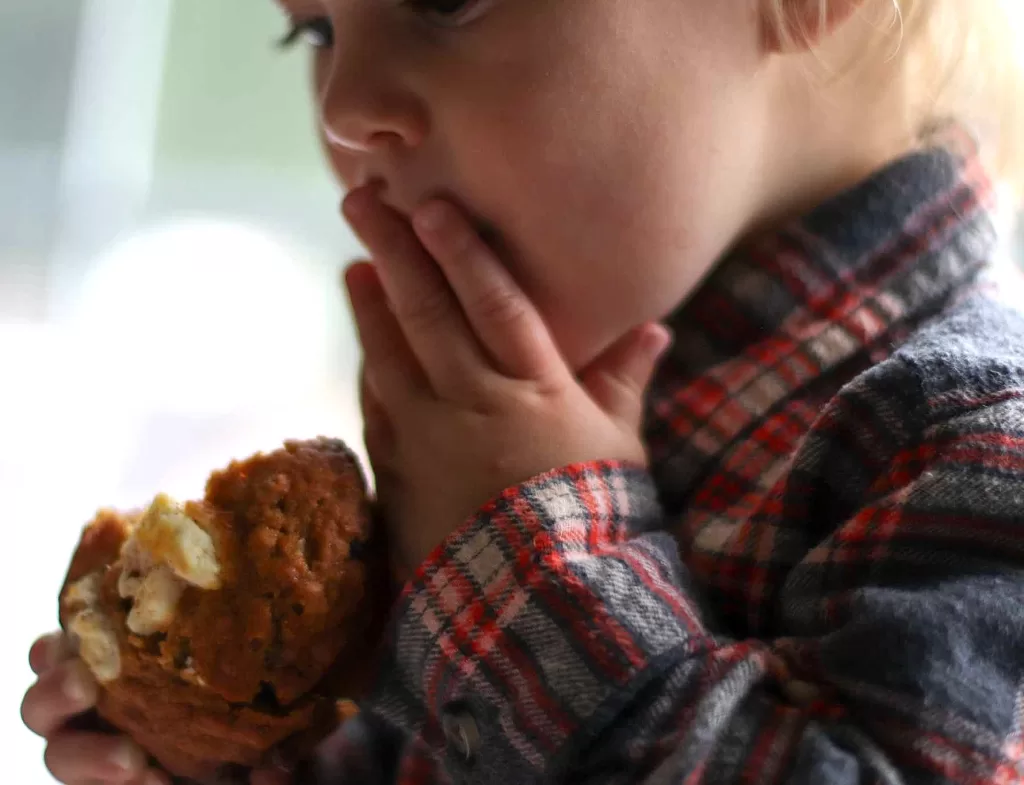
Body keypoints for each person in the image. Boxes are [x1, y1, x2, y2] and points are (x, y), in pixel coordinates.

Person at [21, 0, 1024, 783]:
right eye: (316, 32)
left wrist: (527, 568)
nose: (342, 110)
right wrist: (248, 729)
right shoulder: (499, 432)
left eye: (446, 0)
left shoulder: (979, 450)